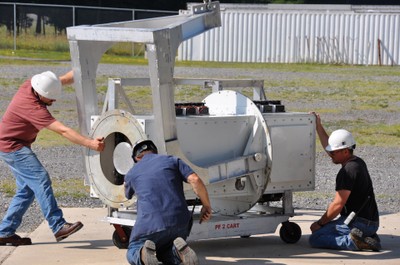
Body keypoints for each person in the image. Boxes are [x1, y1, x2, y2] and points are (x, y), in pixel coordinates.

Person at [0, 70, 105, 246]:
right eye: (51, 99)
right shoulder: (34, 109)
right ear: (40, 95)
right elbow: (64, 131)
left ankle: (5, 232)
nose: (54, 101)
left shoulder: (31, 84)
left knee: (27, 190)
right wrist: (91, 144)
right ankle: (58, 226)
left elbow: (61, 80)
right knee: (40, 179)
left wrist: (81, 70)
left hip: (12, 143)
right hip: (13, 146)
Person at [124, 140, 212, 265]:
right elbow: (195, 179)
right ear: (155, 151)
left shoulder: (133, 172)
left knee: (133, 249)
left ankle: (143, 254)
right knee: (166, 252)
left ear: (137, 157)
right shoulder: (172, 160)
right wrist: (206, 206)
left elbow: (126, 194)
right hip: (180, 223)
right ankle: (179, 252)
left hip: (150, 225)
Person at [309, 112, 381, 251]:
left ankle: (353, 242)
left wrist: (320, 223)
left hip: (358, 222)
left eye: (334, 152)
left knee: (316, 237)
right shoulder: (358, 162)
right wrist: (318, 126)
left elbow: (338, 205)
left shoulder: (347, 172)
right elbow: (330, 147)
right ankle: (369, 237)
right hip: (372, 223)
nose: (330, 155)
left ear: (346, 152)